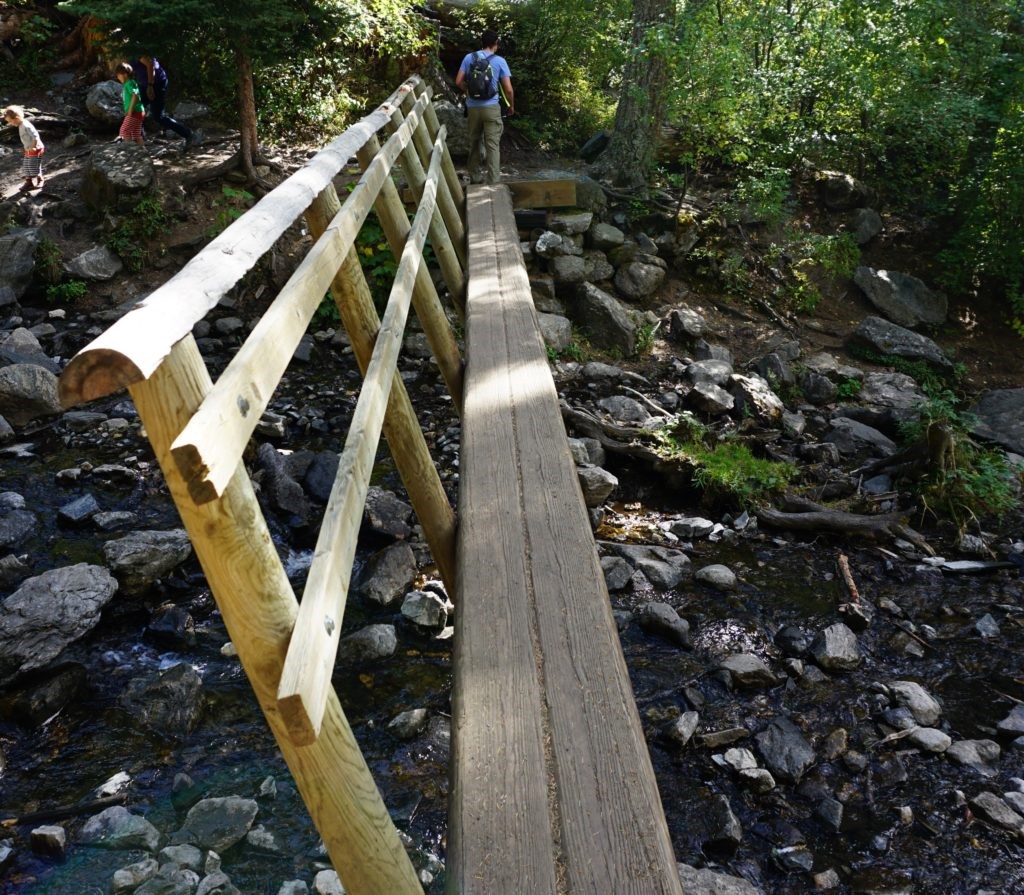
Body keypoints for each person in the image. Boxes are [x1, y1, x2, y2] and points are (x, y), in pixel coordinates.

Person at [455, 29, 514, 185]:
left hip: (473, 107)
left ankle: (475, 178)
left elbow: (458, 81)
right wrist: (511, 106)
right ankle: (493, 181)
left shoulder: (469, 58)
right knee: (492, 145)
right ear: (495, 44)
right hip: (491, 108)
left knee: (474, 142)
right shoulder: (500, 61)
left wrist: (468, 91)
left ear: (482, 42)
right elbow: (508, 89)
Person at [131, 55, 197, 151]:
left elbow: (150, 65)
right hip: (145, 84)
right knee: (136, 110)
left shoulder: (138, 50)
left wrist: (150, 86)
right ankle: (139, 139)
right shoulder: (127, 51)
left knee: (158, 116)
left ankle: (188, 134)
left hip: (155, 84)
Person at [2, 105, 44, 190]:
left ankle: (40, 180)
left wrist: (33, 147)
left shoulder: (25, 125)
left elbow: (35, 136)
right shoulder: (20, 124)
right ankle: (29, 182)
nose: (11, 124)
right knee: (26, 166)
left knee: (33, 166)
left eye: (11, 121)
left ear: (17, 118)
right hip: (28, 149)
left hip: (35, 149)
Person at [114, 61, 146, 145]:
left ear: (125, 74)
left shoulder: (129, 83)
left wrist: (130, 110)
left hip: (135, 112)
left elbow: (135, 95)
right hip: (139, 112)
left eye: (118, 75)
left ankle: (128, 152)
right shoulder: (131, 83)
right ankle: (143, 152)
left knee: (124, 131)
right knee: (136, 135)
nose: (117, 77)